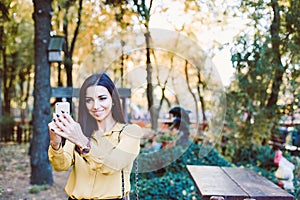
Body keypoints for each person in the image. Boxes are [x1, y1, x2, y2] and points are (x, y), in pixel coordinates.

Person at [48, 72, 143, 200]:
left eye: (102, 98)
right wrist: (55, 144)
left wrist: (83, 142)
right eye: (89, 100)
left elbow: (112, 166)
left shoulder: (130, 132)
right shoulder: (80, 130)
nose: (95, 106)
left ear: (113, 99)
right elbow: (60, 166)